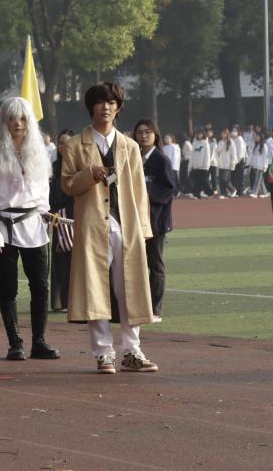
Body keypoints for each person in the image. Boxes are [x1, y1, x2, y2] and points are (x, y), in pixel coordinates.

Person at [60, 82, 158, 374]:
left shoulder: (129, 146)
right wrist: (88, 175)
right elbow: (67, 185)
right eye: (100, 102)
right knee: (95, 288)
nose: (106, 107)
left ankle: (132, 351)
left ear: (118, 108)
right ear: (91, 107)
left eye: (112, 102)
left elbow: (139, 191)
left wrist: (143, 229)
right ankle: (104, 353)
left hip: (126, 224)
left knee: (130, 288)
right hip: (92, 224)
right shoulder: (74, 145)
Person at [0, 97, 60, 361]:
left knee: (40, 286)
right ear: (4, 121)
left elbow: (43, 186)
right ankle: (15, 343)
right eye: (12, 118)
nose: (18, 123)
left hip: (35, 224)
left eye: (23, 118)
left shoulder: (39, 151)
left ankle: (39, 341)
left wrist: (45, 212)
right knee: (9, 288)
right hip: (5, 226)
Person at [134, 119, 177, 321]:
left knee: (155, 264)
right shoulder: (133, 157)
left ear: (155, 135)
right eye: (139, 132)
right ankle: (140, 306)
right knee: (136, 264)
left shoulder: (161, 160)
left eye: (147, 132)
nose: (143, 136)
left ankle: (155, 309)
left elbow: (169, 188)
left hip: (156, 221)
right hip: (135, 220)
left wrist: (144, 193)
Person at [49, 129, 76, 312]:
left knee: (74, 261)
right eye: (60, 143)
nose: (63, 147)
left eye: (67, 143)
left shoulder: (79, 166)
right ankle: (59, 302)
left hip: (75, 218)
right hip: (57, 218)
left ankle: (73, 300)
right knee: (59, 261)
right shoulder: (54, 166)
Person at [188, 128, 212, 199]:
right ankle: (196, 194)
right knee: (196, 181)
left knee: (204, 181)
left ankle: (209, 193)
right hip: (196, 166)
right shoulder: (194, 143)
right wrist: (191, 165)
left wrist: (206, 165)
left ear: (203, 135)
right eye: (198, 134)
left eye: (201, 134)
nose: (199, 135)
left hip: (203, 166)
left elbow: (207, 155)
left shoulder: (205, 143)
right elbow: (192, 155)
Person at [215, 129, 238, 199]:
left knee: (225, 179)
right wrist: (221, 145)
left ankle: (232, 189)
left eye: (224, 133)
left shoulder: (231, 142)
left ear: (227, 134)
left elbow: (234, 153)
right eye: (222, 133)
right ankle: (224, 193)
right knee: (221, 179)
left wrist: (233, 162)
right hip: (221, 163)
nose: (223, 135)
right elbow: (217, 150)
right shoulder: (220, 142)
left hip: (228, 164)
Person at [247, 130, 271, 198]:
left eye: (257, 136)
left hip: (261, 166)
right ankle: (266, 192)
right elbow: (253, 156)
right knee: (261, 180)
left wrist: (265, 166)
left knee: (257, 179)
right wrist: (251, 163)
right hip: (256, 166)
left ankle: (254, 192)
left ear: (261, 137)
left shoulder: (264, 146)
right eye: (255, 136)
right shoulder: (256, 145)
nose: (256, 137)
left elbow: (265, 157)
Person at [231, 125, 248, 196]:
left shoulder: (240, 139)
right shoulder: (232, 139)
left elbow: (240, 153)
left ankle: (239, 191)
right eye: (233, 130)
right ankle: (235, 190)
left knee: (239, 177)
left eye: (235, 130)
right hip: (234, 161)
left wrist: (236, 161)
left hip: (239, 161)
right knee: (233, 177)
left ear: (238, 131)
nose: (233, 132)